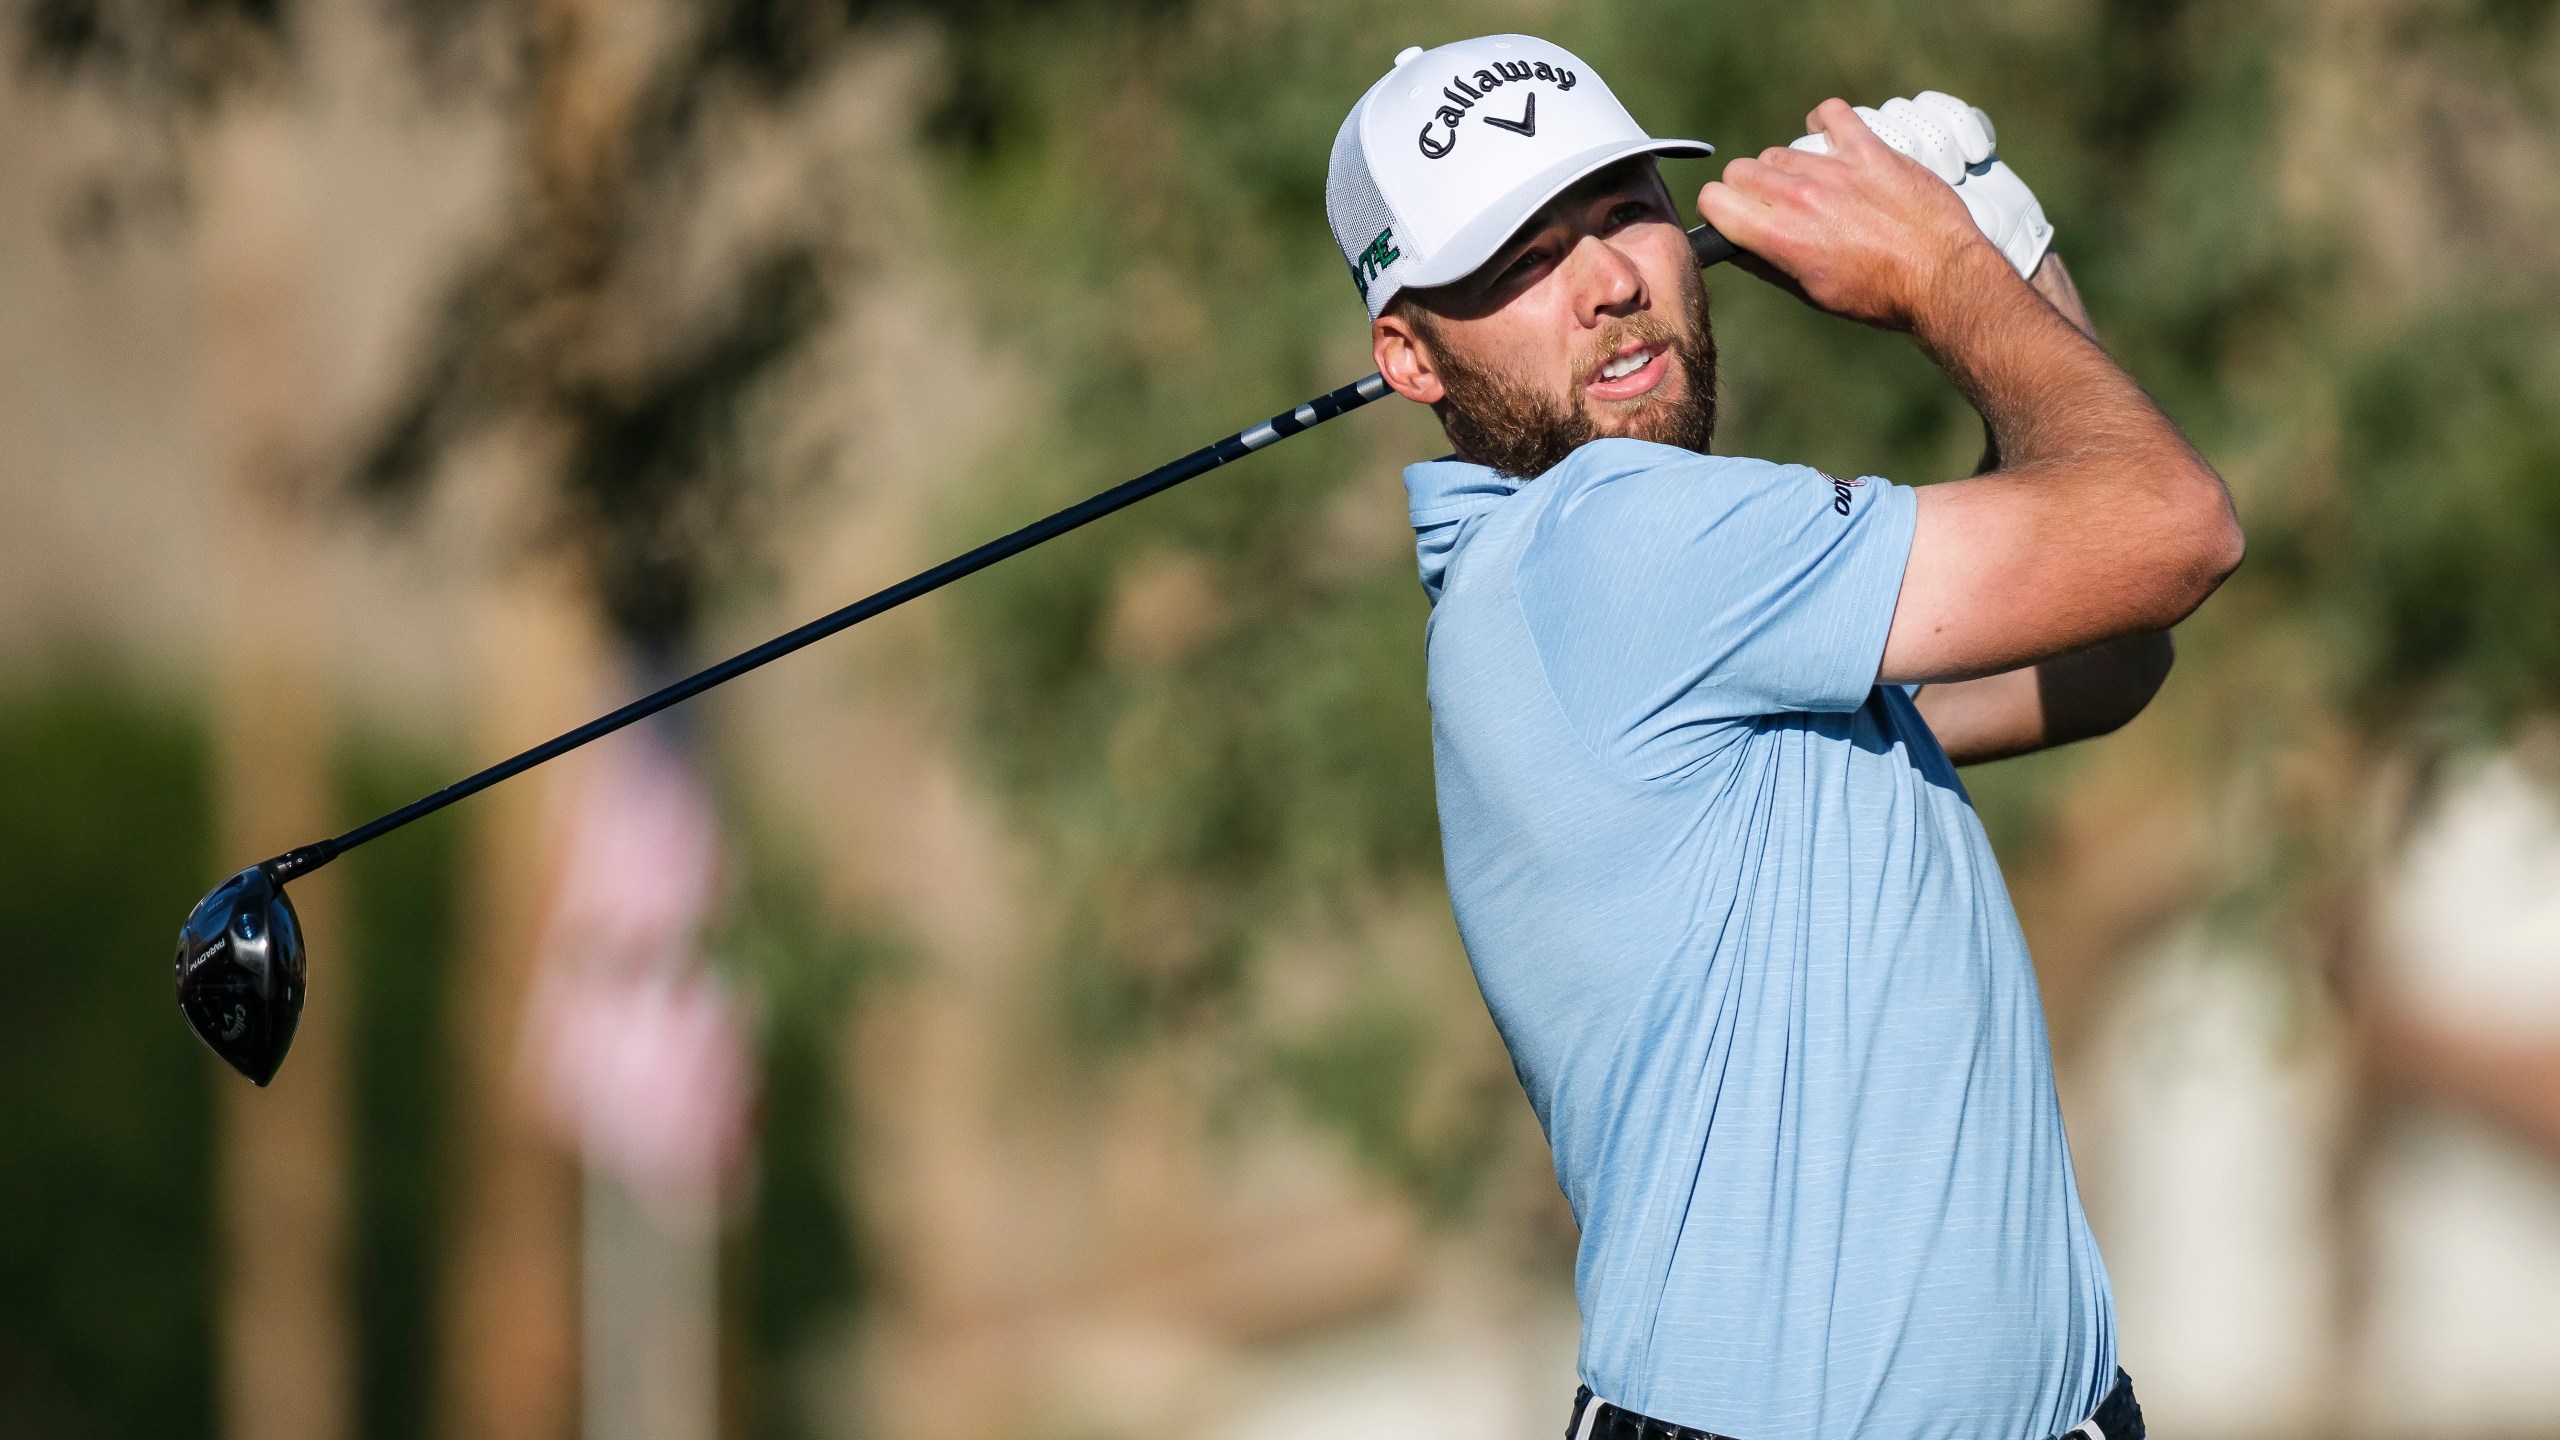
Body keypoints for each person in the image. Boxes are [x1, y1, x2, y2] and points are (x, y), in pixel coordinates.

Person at [1324, 35, 2243, 1440]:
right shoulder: (1607, 544)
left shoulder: (1664, 616)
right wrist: (1952, 273)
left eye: (1626, 207)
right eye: (1519, 261)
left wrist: (2002, 248)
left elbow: (2105, 653)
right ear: (1408, 353)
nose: (1611, 283)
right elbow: (2173, 532)